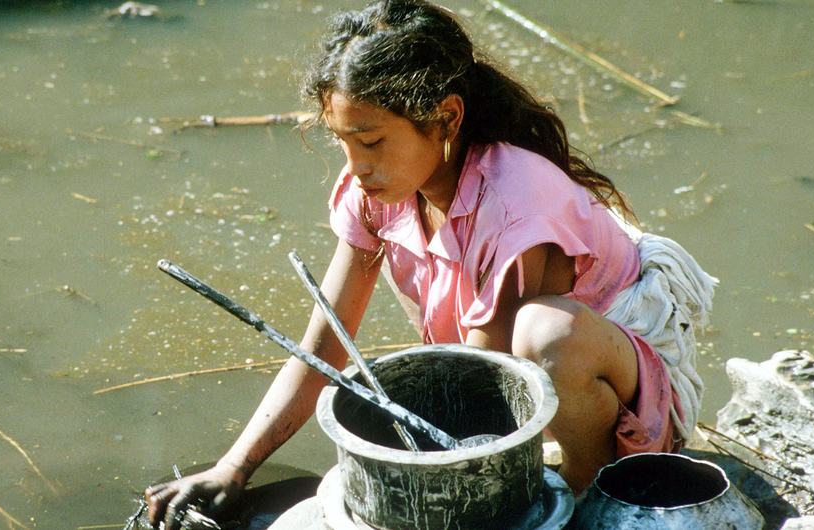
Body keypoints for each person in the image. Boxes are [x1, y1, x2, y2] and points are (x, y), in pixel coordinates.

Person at [146, 0, 716, 526]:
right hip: (495, 376)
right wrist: (234, 468)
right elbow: (324, 343)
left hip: (611, 400)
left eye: (371, 142)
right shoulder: (378, 193)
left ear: (445, 119)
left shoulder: (517, 207)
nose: (357, 166)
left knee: (546, 331)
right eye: (343, 141)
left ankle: (587, 496)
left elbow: (485, 385)